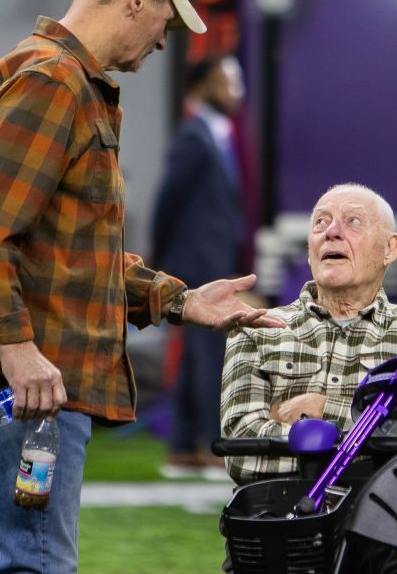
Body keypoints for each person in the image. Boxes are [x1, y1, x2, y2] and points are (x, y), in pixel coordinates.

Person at [0, 0, 284, 574]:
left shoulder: (57, 78)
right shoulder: (53, 81)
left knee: (33, 559)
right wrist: (18, 350)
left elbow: (69, 252)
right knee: (36, 562)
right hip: (39, 386)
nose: (163, 42)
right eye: (166, 22)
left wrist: (178, 299)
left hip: (43, 381)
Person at [220, 182, 397, 573]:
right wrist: (378, 434)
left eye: (352, 221)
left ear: (390, 248)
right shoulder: (259, 329)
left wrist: (323, 411)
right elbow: (243, 450)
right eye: (320, 222)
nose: (331, 231)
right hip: (284, 527)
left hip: (394, 526)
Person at [152, 54, 249, 478]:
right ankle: (212, 444)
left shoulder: (219, 134)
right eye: (229, 81)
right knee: (210, 354)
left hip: (213, 259)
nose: (236, 91)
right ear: (208, 85)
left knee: (197, 356)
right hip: (194, 262)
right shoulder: (195, 136)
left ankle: (182, 446)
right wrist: (157, 255)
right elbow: (168, 200)